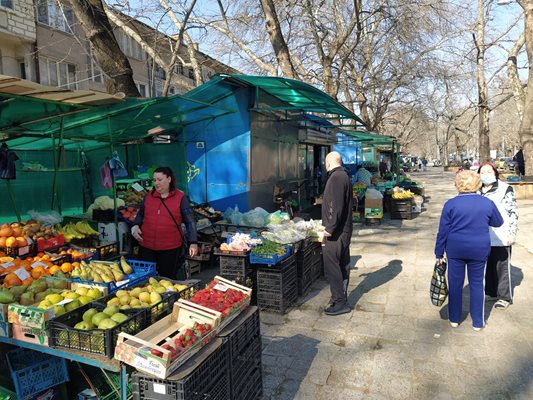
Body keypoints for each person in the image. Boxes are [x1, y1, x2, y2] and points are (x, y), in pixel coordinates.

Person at [435, 170, 503, 331]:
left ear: (458, 184)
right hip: (479, 249)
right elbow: (498, 222)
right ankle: (478, 321)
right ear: (477, 184)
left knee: (455, 284)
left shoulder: (450, 204)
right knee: (477, 284)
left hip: (455, 249)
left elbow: (442, 231)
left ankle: (454, 318)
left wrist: (439, 252)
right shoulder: (486, 203)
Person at [132, 167, 198, 279]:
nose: (156, 183)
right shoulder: (149, 196)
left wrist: (193, 242)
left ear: (169, 179)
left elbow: (190, 221)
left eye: (160, 179)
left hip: (170, 248)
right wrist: (135, 225)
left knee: (167, 279)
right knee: (145, 279)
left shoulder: (180, 198)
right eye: (155, 180)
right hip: (146, 246)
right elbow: (141, 214)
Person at [478, 162, 518, 310]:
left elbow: (513, 212)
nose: (486, 175)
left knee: (502, 267)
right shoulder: (477, 190)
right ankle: (491, 291)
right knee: (488, 266)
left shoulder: (505, 189)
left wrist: (512, 233)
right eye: (483, 172)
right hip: (483, 235)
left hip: (501, 235)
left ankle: (504, 296)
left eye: (489, 171)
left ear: (495, 173)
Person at [321, 152, 353, 316]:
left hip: (336, 233)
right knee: (342, 264)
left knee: (332, 265)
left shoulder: (336, 178)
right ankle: (340, 297)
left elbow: (336, 205)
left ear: (328, 162)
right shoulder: (343, 175)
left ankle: (340, 302)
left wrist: (329, 228)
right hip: (343, 230)